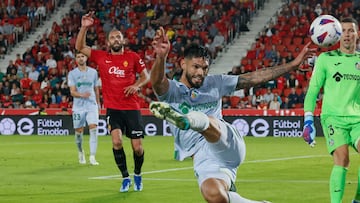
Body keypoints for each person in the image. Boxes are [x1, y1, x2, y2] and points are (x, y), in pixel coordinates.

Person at [149, 27, 315, 203]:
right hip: (202, 157)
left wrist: (293, 65)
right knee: (215, 196)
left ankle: (189, 120)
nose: (200, 73)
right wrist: (161, 57)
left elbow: (255, 77)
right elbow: (158, 83)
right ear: (183, 64)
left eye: (204, 68)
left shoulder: (216, 82)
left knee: (209, 122)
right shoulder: (173, 91)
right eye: (196, 67)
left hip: (226, 143)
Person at [75, 11, 149, 192]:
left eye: (119, 37)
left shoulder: (132, 57)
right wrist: (84, 26)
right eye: (113, 37)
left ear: (123, 41)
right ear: (108, 42)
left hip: (131, 107)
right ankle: (125, 177)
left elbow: (146, 76)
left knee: (137, 147)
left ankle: (137, 174)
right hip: (113, 109)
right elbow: (79, 47)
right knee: (116, 142)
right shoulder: (101, 56)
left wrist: (137, 85)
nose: (116, 39)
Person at [302, 17, 360, 203]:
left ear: (357, 34)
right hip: (333, 118)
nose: (347, 35)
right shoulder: (326, 59)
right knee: (342, 159)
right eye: (343, 31)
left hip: (357, 119)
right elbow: (312, 91)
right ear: (336, 34)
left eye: (351, 30)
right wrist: (308, 120)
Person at [68, 51, 101, 165]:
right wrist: (82, 95)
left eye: (82, 56)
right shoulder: (72, 74)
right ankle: (81, 152)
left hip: (91, 105)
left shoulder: (93, 72)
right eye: (78, 57)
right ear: (76, 59)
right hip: (78, 107)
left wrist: (98, 103)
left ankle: (92, 156)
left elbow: (96, 88)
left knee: (93, 128)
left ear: (86, 58)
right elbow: (72, 92)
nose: (80, 58)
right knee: (78, 132)